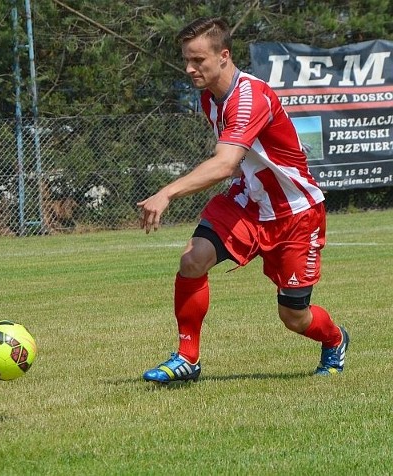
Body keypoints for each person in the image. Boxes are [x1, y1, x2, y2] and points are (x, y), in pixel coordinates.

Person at [137, 17, 348, 383]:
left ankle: (335, 339)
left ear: (224, 56)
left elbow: (224, 163)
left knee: (294, 317)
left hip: (295, 213)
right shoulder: (209, 99)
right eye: (186, 60)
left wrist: (167, 191)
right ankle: (188, 358)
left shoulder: (250, 97)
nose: (189, 68)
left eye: (198, 60)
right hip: (249, 202)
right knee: (193, 259)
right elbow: (238, 163)